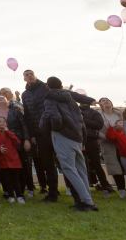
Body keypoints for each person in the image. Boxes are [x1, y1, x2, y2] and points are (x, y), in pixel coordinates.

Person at [40, 77, 97, 212]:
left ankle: (87, 202)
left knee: (69, 169)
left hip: (63, 135)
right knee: (81, 169)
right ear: (61, 85)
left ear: (48, 87)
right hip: (77, 136)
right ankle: (87, 199)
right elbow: (80, 116)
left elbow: (54, 117)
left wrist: (55, 128)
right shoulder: (70, 97)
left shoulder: (49, 98)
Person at [21, 69, 58, 201]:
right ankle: (53, 192)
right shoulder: (24, 95)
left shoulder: (45, 87)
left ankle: (72, 188)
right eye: (26, 75)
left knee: (60, 161)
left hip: (53, 128)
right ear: (24, 79)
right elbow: (28, 116)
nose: (29, 76)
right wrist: (31, 134)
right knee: (47, 162)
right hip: (39, 132)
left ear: (35, 76)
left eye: (31, 74)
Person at [0, 94, 32, 196]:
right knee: (3, 169)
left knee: (20, 166)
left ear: (7, 101)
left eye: (2, 99)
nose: (0, 100)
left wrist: (26, 139)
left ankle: (23, 189)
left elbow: (23, 125)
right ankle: (7, 191)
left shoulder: (15, 111)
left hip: (14, 140)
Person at [79, 97, 111, 195]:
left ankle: (105, 185)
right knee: (81, 165)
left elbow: (98, 125)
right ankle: (85, 186)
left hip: (91, 140)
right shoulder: (75, 111)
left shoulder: (94, 113)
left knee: (96, 164)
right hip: (79, 140)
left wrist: (83, 120)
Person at [0, 115, 24, 203]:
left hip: (13, 159)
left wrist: (8, 132)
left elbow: (17, 142)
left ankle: (19, 196)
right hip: (3, 161)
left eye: (3, 121)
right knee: (7, 179)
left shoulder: (10, 132)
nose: (2, 123)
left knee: (16, 179)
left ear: (6, 123)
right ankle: (11, 195)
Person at [97, 97, 126, 196]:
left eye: (107, 100)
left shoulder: (119, 114)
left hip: (122, 142)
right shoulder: (98, 115)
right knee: (114, 166)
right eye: (103, 101)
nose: (106, 102)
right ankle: (121, 189)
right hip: (107, 143)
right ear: (100, 105)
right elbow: (97, 130)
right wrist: (105, 137)